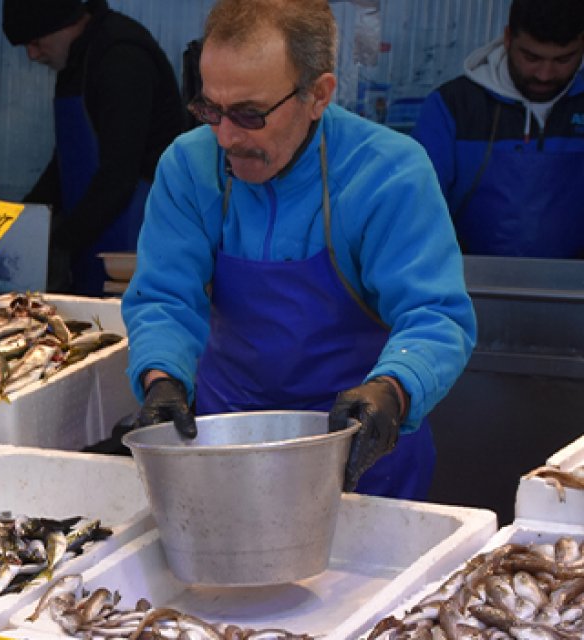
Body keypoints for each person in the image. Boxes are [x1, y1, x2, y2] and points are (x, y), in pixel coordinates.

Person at [120, 0, 477, 500]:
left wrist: (391, 390)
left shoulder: (388, 173)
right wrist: (163, 378)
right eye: (210, 109)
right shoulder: (187, 166)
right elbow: (164, 298)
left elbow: (435, 315)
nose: (225, 136)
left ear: (318, 94)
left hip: (360, 451)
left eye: (249, 114)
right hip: (225, 442)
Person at [2, 0, 184, 296]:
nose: (32, 55)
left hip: (135, 242)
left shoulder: (122, 58)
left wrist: (60, 241)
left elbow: (119, 175)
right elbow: (65, 160)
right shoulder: (75, 59)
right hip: (93, 236)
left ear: (69, 22)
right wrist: (23, 221)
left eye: (35, 42)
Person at [411, 0, 584, 258]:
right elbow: (415, 209)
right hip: (469, 283)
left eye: (563, 59)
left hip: (573, 289)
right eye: (531, 57)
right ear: (507, 38)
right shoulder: (453, 106)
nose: (545, 74)